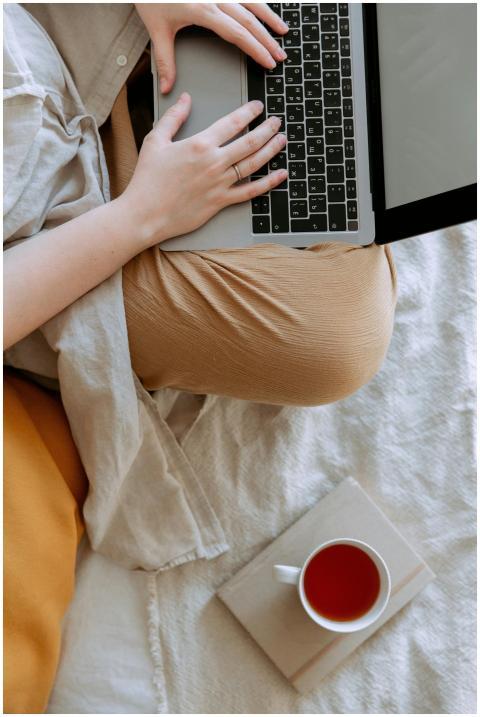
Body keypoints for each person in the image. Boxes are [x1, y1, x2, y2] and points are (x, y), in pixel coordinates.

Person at [3, 4, 397, 712]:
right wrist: (142, 216)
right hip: (52, 236)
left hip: (72, 44)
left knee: (314, 57)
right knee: (335, 340)